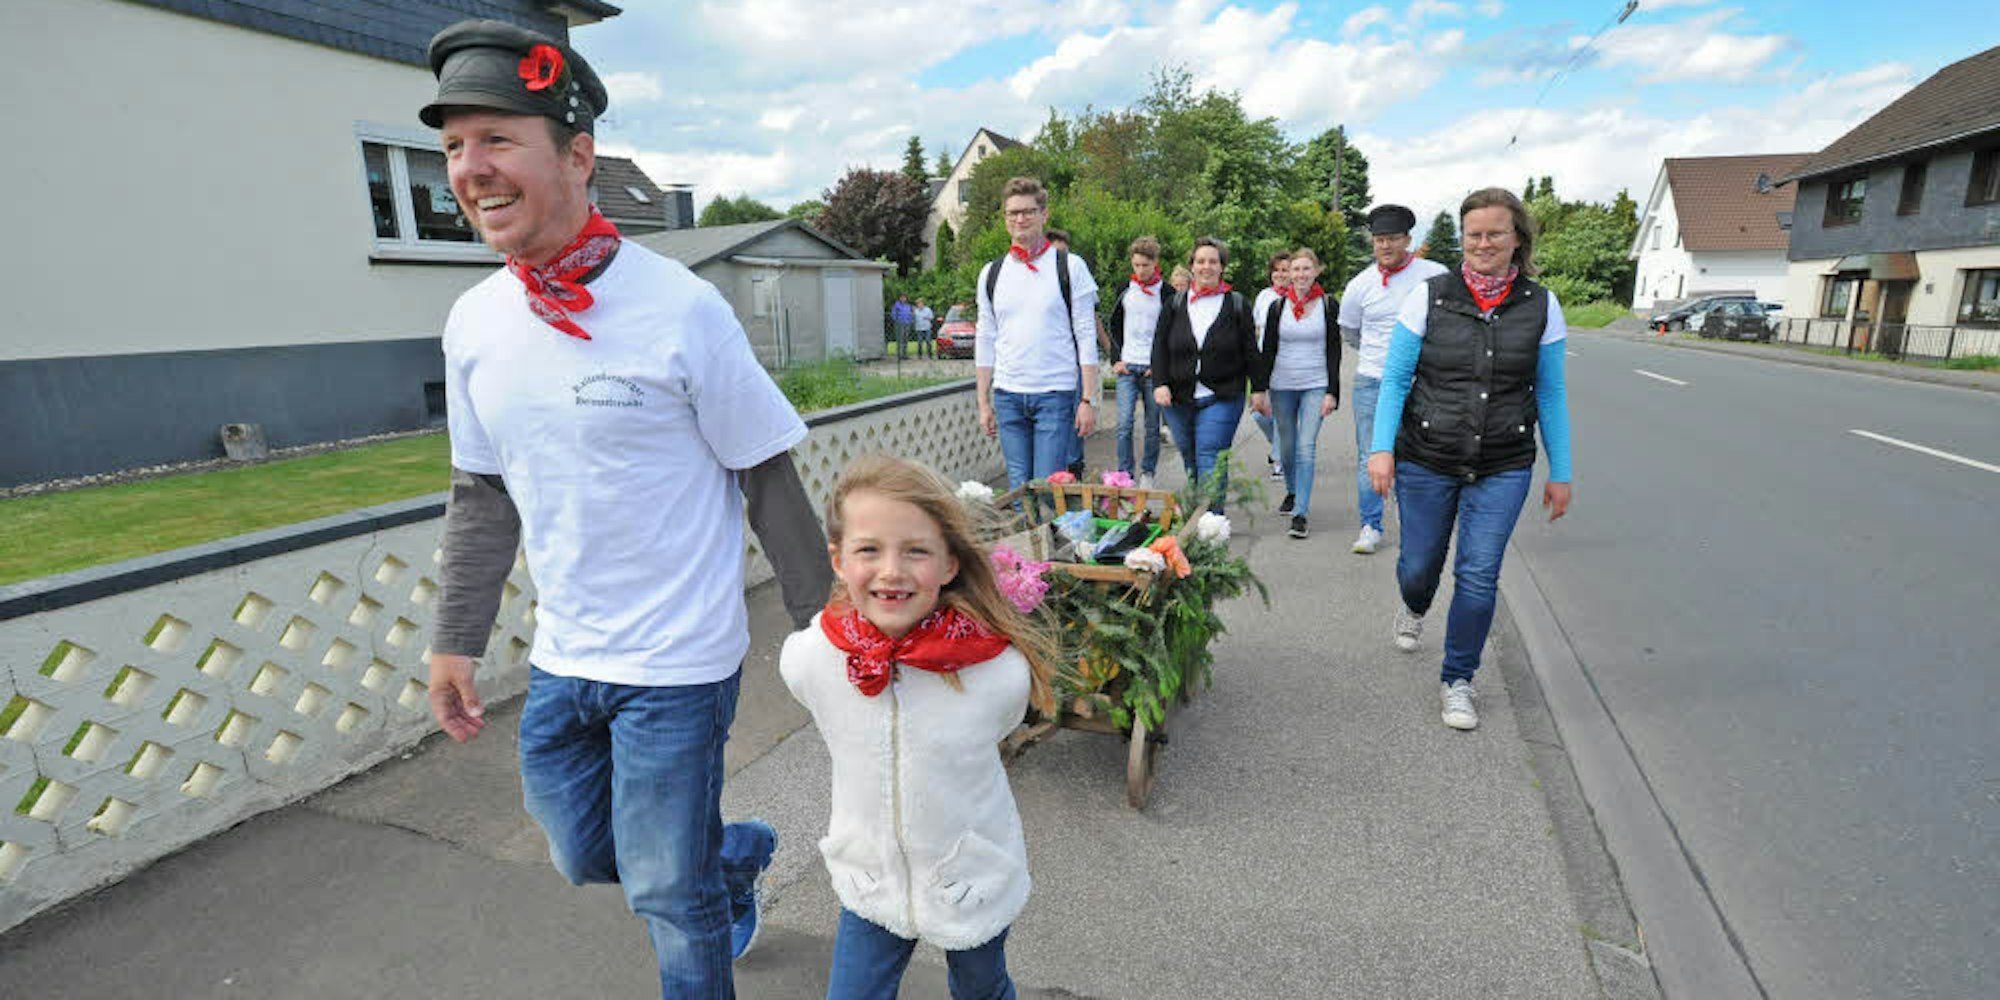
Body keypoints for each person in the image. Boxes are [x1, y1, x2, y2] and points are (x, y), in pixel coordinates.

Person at [418, 21, 834, 997]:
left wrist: (830, 637)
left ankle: (699, 879)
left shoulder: (680, 308)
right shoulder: (473, 322)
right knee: (580, 850)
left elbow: (765, 475)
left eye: (497, 139)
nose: (469, 169)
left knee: (666, 895)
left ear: (577, 156)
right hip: (565, 656)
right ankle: (731, 854)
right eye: (454, 146)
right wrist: (454, 640)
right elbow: (482, 495)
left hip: (679, 662)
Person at [780, 454, 1057, 1000]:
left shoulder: (996, 673)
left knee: (981, 988)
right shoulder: (812, 659)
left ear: (950, 564)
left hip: (970, 876)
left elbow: (1002, 721)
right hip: (871, 878)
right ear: (838, 560)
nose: (891, 570)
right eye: (868, 550)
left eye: (916, 551)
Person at [1366, 187, 1573, 731]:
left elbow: (1551, 392)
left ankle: (1458, 679)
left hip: (1504, 463)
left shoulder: (1541, 305)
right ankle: (1414, 605)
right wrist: (1382, 448)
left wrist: (1562, 471)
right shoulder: (1430, 297)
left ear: (1516, 238)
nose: (1483, 244)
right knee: (1418, 567)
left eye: (1495, 233)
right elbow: (1396, 379)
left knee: (1479, 576)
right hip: (1426, 456)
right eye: (1473, 234)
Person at [975, 178, 1099, 491]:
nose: (1020, 219)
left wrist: (1088, 399)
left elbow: (1086, 336)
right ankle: (1024, 526)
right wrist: (983, 402)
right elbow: (986, 338)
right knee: (1019, 489)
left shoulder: (1070, 267)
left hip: (1055, 394)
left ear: (1044, 214)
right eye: (1013, 213)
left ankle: (1048, 525)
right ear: (1005, 218)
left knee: (1046, 488)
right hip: (1007, 395)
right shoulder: (992, 273)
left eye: (1028, 211)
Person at [1339, 204, 1449, 555]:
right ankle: (1370, 524)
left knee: (1420, 453)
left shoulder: (1435, 275)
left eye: (1392, 239)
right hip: (1373, 380)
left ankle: (1412, 519)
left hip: (1424, 382)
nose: (1385, 246)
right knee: (1371, 454)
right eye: (1379, 240)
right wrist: (1380, 356)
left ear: (1407, 240)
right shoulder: (1360, 285)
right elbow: (1351, 331)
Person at [1152, 237, 1269, 513]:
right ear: (1192, 266)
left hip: (1223, 395)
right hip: (1178, 397)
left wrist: (1259, 389)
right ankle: (1200, 513)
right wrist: (1160, 383)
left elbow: (1251, 350)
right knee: (1190, 457)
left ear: (1222, 267)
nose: (1206, 266)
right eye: (1201, 261)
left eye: (1213, 261)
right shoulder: (1174, 304)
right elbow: (1159, 346)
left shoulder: (1237, 304)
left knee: (1210, 456)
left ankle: (1211, 522)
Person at [1259, 248, 1341, 540]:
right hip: (1282, 385)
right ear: (1289, 273)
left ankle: (1301, 513)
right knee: (1287, 447)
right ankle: (1292, 491)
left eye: (1307, 269)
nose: (1301, 274)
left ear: (1316, 271)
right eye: (1296, 269)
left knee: (1306, 446)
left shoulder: (1328, 305)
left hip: (1315, 383)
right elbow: (1268, 350)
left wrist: (1332, 392)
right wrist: (1260, 389)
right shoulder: (1277, 307)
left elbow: (1334, 350)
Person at [1104, 236, 1168, 488]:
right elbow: (1114, 325)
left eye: (1145, 265)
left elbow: (1172, 333)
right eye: (1136, 265)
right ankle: (1125, 474)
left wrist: (1161, 366)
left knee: (1152, 426)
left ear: (1155, 263)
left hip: (1153, 369)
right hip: (1128, 366)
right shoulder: (1125, 289)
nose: (1140, 270)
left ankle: (1148, 472)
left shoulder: (1167, 292)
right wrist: (1116, 358)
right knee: (1124, 424)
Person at [1045, 227, 1092, 479]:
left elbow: (1090, 322)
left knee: (1076, 413)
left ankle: (1074, 466)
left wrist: (1109, 350)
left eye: (1063, 253)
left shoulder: (1074, 275)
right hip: (1047, 365)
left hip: (1075, 360)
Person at [1250, 252, 1292, 481]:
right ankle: (1281, 445)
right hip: (1264, 364)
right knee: (1260, 415)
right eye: (1276, 270)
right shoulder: (1264, 296)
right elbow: (1256, 329)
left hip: (1288, 363)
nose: (1280, 274)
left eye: (1285, 270)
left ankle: (1279, 460)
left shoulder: (1298, 298)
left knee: (1281, 413)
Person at [890, 294, 915, 359]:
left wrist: (911, 321)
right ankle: (899, 354)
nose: (903, 299)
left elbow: (911, 314)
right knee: (900, 339)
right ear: (900, 298)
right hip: (899, 324)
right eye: (902, 297)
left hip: (907, 324)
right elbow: (893, 314)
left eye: (904, 298)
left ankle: (905, 354)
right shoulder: (896, 305)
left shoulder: (908, 306)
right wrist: (898, 321)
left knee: (905, 339)